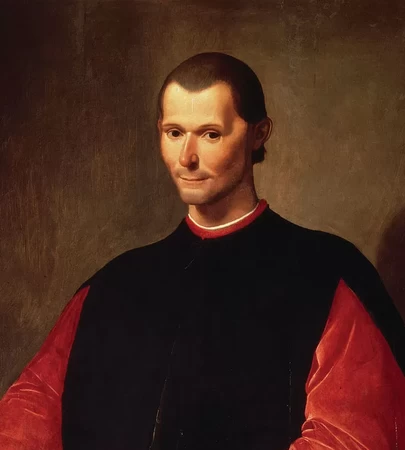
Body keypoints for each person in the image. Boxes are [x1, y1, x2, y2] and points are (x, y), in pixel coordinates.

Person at [0, 52, 404, 450]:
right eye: (175, 132)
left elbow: (352, 435)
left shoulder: (323, 271)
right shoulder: (113, 284)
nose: (187, 158)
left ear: (259, 133)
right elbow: (31, 409)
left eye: (211, 134)